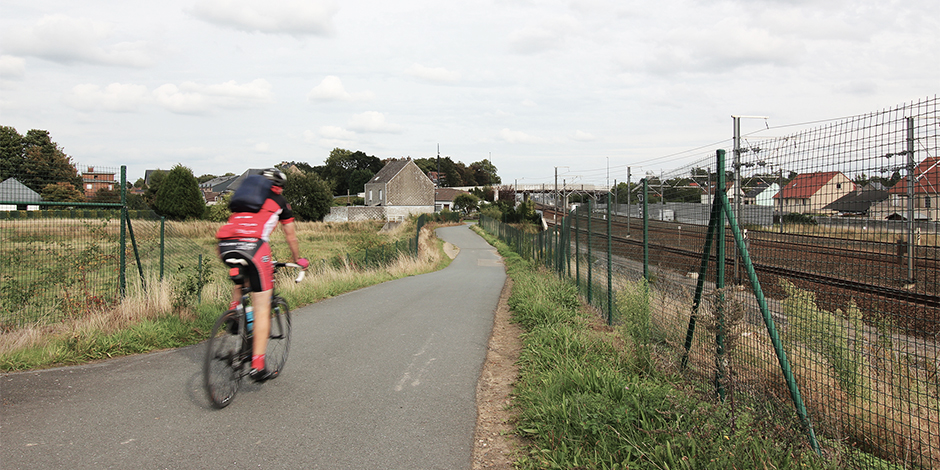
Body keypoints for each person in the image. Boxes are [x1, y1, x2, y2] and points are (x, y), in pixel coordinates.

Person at [216, 168, 308, 382]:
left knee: (242, 277)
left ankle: (234, 312)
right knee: (262, 308)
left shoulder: (244, 199)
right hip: (254, 248)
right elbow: (290, 235)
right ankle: (257, 365)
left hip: (225, 244)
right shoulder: (279, 201)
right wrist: (298, 259)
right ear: (280, 185)